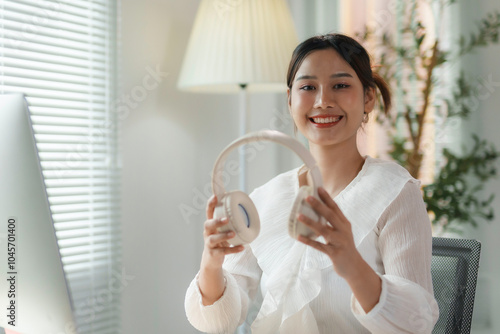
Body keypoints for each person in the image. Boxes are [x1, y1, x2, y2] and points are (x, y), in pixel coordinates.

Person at [184, 33, 439, 334]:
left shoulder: (394, 191)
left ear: (368, 97)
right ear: (290, 99)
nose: (323, 101)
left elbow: (417, 323)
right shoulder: (267, 199)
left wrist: (351, 262)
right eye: (308, 87)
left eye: (341, 85)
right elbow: (219, 321)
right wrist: (211, 264)